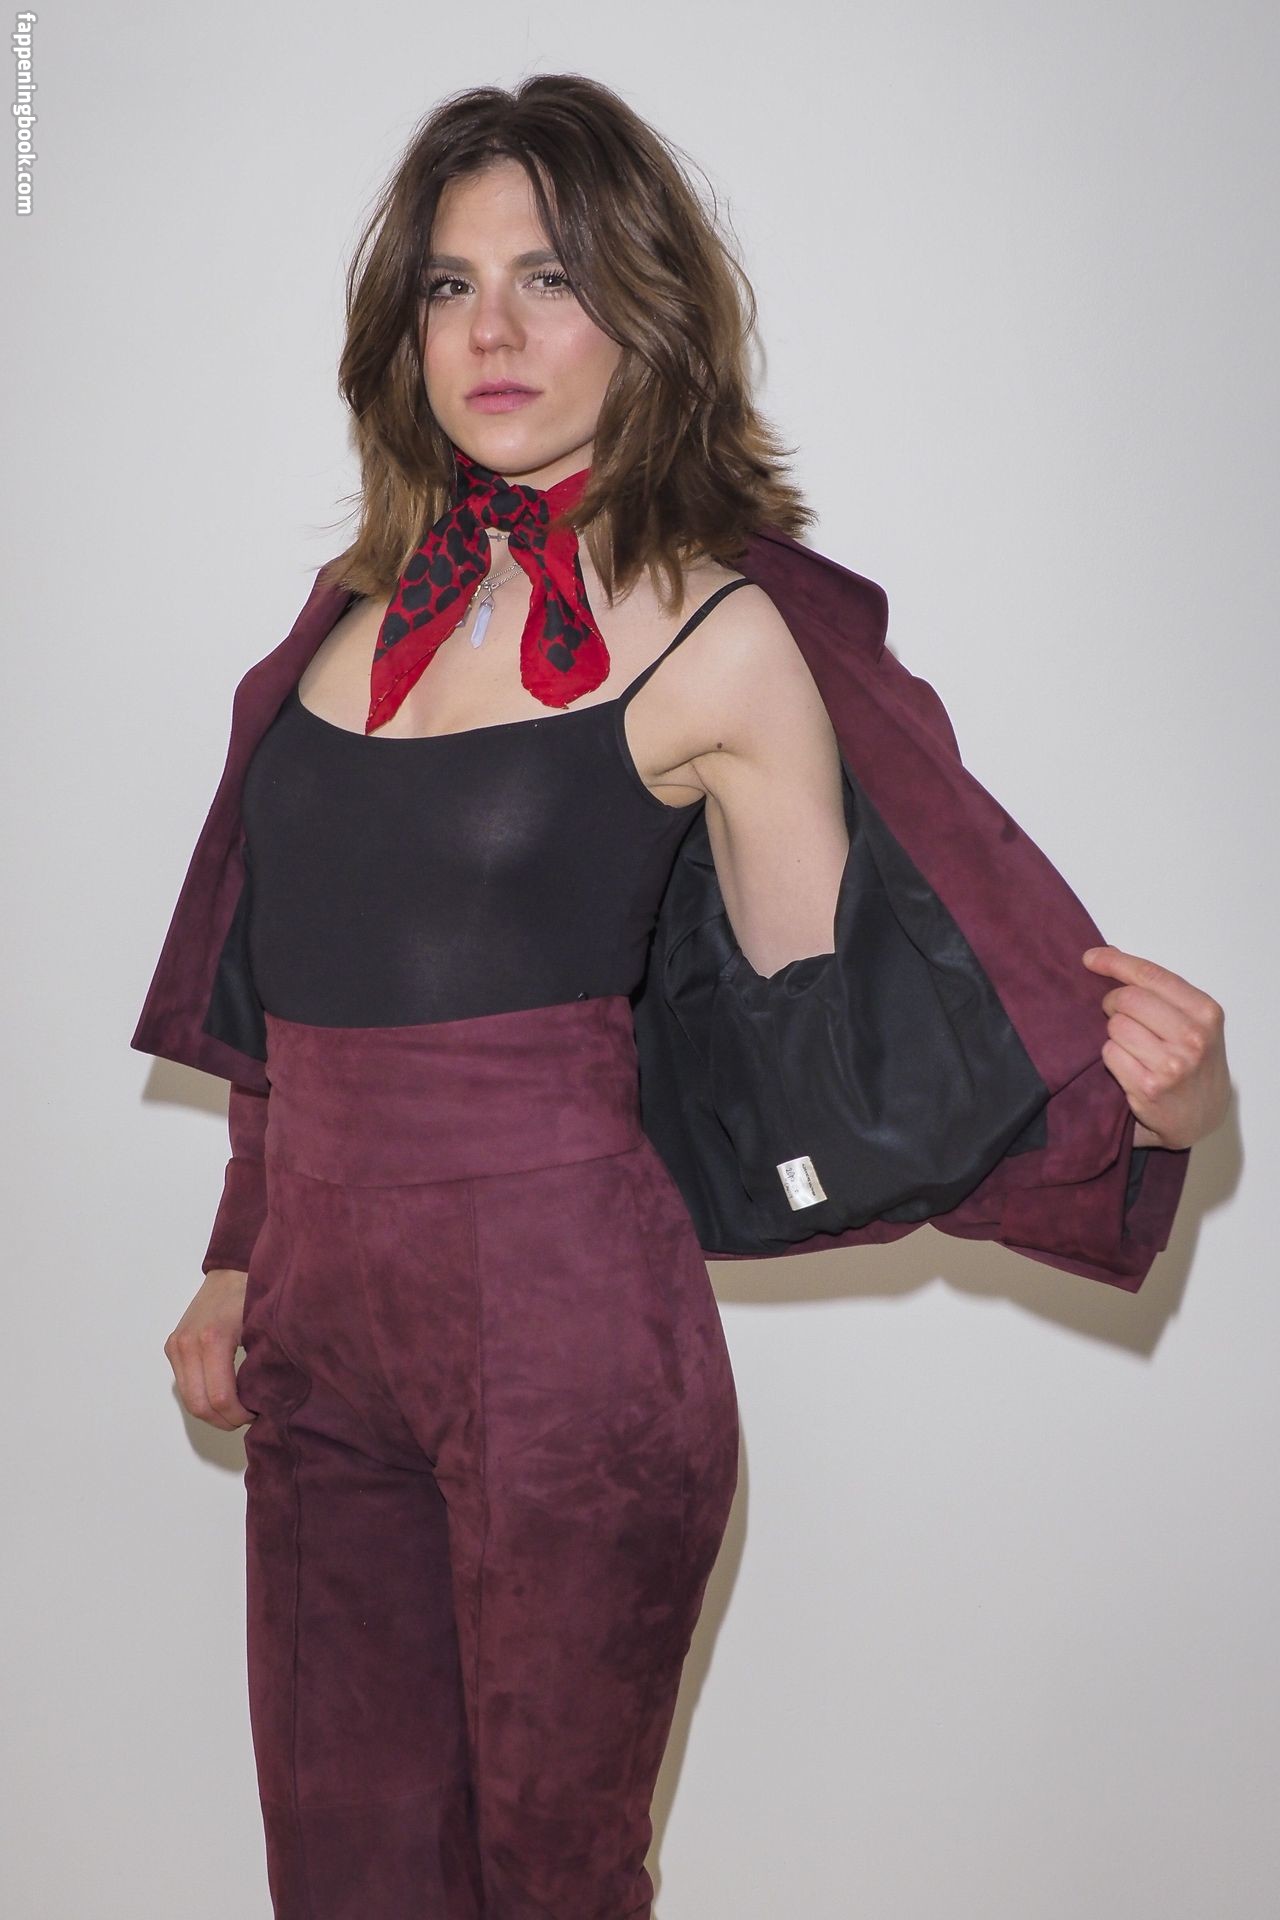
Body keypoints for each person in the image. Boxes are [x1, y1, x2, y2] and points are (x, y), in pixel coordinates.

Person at [154, 72, 1230, 1920]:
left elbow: (838, 1035)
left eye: (551, 279)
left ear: (643, 315)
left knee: (553, 1879)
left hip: (570, 1348)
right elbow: (286, 970)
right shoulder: (347, 617)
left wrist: (1153, 1113)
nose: (493, 330)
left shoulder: (720, 639)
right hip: (320, 1336)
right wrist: (240, 1251)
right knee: (342, 1872)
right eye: (450, 283)